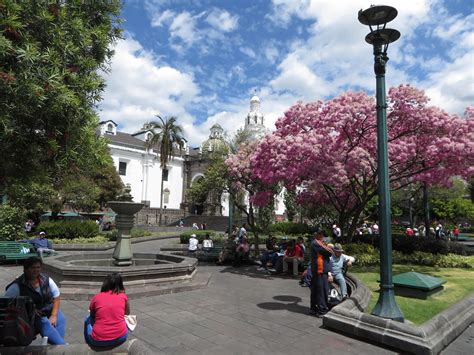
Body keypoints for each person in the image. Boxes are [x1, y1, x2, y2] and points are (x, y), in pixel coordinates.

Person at [5, 256, 66, 344]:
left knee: (60, 318)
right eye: (33, 268)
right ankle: (62, 347)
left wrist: (54, 315)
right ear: (25, 269)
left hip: (48, 310)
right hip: (31, 317)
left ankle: (57, 346)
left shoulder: (46, 280)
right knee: (43, 322)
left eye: (38, 267)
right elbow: (8, 304)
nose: (36, 270)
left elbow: (56, 297)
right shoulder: (16, 286)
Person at [84, 273, 130, 347]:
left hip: (98, 340)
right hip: (121, 337)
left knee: (87, 318)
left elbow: (92, 314)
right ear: (120, 284)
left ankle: (88, 344)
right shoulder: (123, 296)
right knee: (123, 318)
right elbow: (127, 313)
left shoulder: (97, 297)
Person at [309, 230, 333, 317]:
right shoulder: (316, 243)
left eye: (322, 233)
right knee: (321, 290)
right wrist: (329, 247)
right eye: (319, 233)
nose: (321, 235)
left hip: (320, 269)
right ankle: (321, 310)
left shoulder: (319, 242)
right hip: (320, 269)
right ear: (315, 234)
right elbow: (329, 252)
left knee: (316, 289)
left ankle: (314, 308)